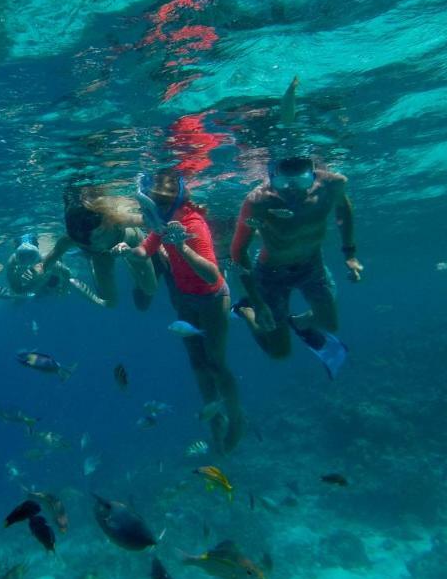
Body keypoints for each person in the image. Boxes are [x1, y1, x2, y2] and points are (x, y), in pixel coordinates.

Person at [116, 169, 244, 453]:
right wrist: (127, 250)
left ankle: (237, 419)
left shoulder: (192, 223)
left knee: (216, 363)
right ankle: (215, 420)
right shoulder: (164, 223)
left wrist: (181, 246)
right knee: (198, 366)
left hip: (212, 299)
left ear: (173, 202)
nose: (153, 211)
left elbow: (212, 276)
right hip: (186, 300)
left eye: (157, 204)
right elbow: (145, 251)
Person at [229, 149, 362, 378]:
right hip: (271, 274)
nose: (292, 189)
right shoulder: (257, 201)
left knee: (330, 324)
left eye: (301, 181)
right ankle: (246, 310)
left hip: (312, 265)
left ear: (313, 174)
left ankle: (300, 323)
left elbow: (344, 209)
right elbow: (238, 250)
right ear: (271, 176)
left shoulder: (332, 185)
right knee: (279, 353)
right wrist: (258, 303)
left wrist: (349, 254)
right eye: (283, 182)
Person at [39, 186, 159, 310]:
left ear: (106, 221)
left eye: (101, 233)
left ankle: (131, 264)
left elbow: (154, 221)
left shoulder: (116, 219)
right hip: (100, 255)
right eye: (90, 240)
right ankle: (100, 294)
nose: (99, 241)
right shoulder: (72, 237)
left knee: (150, 289)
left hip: (132, 244)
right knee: (110, 303)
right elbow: (49, 260)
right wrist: (36, 271)